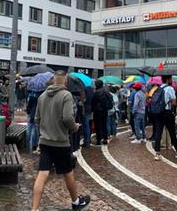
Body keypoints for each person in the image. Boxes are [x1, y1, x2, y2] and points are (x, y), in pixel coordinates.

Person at [31, 71, 90, 211]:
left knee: (43, 173)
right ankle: (76, 202)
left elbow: (36, 119)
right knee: (68, 172)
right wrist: (74, 127)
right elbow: (67, 118)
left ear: (53, 81)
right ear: (65, 81)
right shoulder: (66, 95)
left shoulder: (42, 96)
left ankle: (34, 208)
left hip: (45, 141)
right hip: (60, 142)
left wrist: (44, 131)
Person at [152, 75, 177, 161]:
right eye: (171, 79)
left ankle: (157, 154)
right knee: (172, 132)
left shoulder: (158, 88)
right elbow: (174, 102)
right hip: (167, 112)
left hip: (157, 112)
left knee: (158, 132)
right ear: (168, 79)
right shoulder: (170, 88)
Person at [91, 80, 113, 145]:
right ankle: (105, 139)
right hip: (105, 110)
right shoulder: (106, 91)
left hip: (97, 111)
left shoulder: (97, 92)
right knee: (104, 125)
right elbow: (111, 98)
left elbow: (93, 101)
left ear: (97, 85)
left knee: (98, 126)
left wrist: (93, 109)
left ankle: (98, 140)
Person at [26, 90, 42, 154]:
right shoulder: (41, 97)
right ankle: (35, 146)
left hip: (32, 114)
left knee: (29, 130)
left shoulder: (31, 95)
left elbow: (28, 106)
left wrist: (28, 111)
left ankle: (27, 144)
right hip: (38, 115)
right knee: (36, 131)